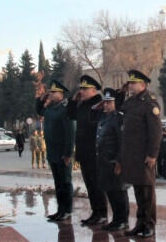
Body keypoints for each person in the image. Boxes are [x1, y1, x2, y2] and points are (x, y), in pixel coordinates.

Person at [119, 70, 162, 238]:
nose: (130, 85)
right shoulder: (130, 102)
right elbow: (118, 109)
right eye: (129, 83)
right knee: (138, 190)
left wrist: (152, 154)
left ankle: (150, 224)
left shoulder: (149, 103)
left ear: (142, 85)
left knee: (147, 192)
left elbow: (156, 132)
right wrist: (120, 93)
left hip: (145, 155)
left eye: (133, 83)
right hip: (132, 155)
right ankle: (140, 223)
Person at [67, 75, 107, 226]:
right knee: (90, 185)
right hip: (84, 151)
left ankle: (102, 213)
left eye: (85, 89)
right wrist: (73, 101)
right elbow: (71, 115)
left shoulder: (99, 104)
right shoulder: (83, 105)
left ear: (94, 90)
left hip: (94, 152)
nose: (81, 91)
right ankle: (95, 212)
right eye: (81, 89)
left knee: (97, 185)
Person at [35, 79, 76, 222]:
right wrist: (41, 99)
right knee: (58, 183)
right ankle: (60, 210)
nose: (51, 94)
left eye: (54, 92)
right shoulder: (50, 109)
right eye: (50, 92)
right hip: (52, 152)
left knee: (65, 183)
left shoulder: (66, 109)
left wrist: (68, 153)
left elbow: (70, 133)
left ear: (61, 94)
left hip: (62, 153)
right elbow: (39, 111)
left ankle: (67, 211)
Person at [93, 87, 130, 232]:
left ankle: (123, 220)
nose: (106, 105)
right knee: (110, 192)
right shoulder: (103, 117)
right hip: (104, 161)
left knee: (119, 192)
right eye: (105, 102)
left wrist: (120, 161)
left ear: (115, 103)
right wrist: (98, 106)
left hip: (115, 162)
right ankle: (116, 219)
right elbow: (91, 115)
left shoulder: (118, 118)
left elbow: (122, 142)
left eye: (109, 102)